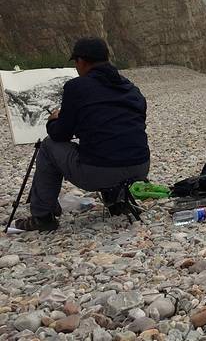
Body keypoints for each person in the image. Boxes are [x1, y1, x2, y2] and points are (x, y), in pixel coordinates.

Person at [14, 37, 150, 232]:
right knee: (108, 145)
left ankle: (42, 217)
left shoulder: (76, 87)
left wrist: (53, 120)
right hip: (140, 167)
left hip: (99, 173)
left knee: (48, 145)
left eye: (76, 63)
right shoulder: (130, 88)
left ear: (82, 61)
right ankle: (118, 203)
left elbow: (60, 134)